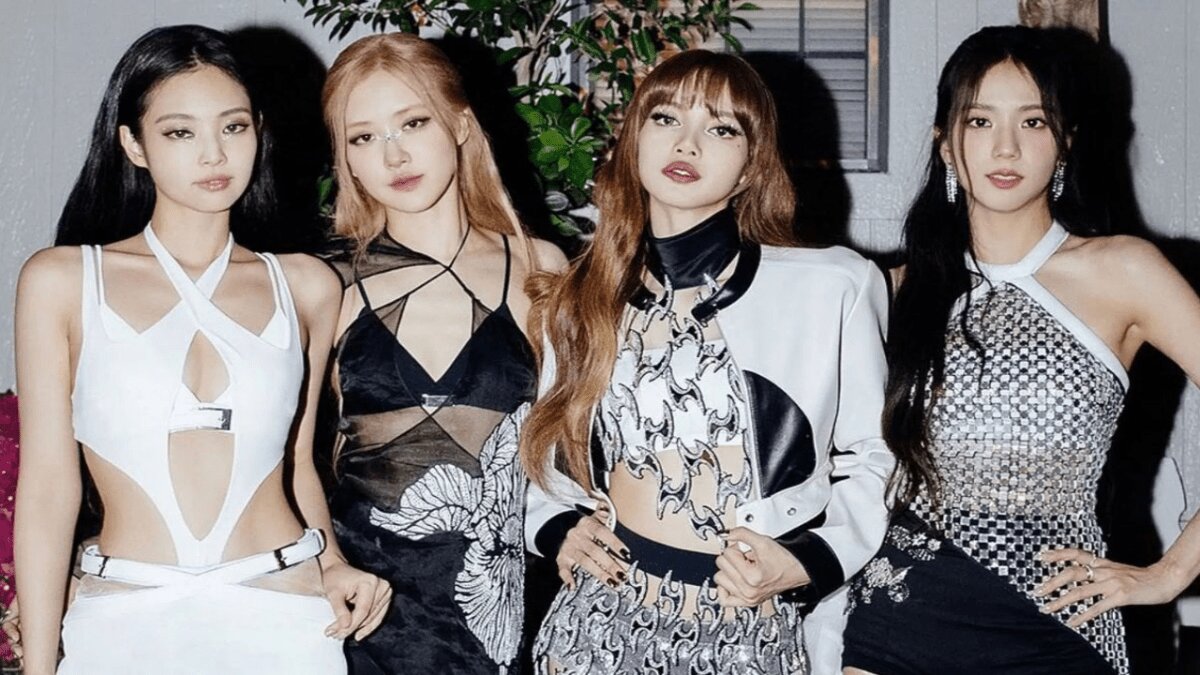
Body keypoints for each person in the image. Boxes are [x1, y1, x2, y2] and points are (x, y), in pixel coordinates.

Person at [13, 25, 389, 675]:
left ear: (258, 131)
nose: (213, 154)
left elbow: (296, 464)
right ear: (133, 143)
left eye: (233, 127)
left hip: (284, 616)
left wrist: (331, 561)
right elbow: (48, 488)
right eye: (180, 132)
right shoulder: (62, 281)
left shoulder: (307, 286)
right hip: (124, 619)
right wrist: (39, 667)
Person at [520, 49, 894, 674]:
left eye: (721, 129)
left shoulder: (834, 286)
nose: (687, 144)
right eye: (666, 118)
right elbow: (541, 446)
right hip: (597, 622)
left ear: (751, 167)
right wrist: (558, 527)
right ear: (634, 140)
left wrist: (807, 561)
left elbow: (876, 455)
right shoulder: (579, 297)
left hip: (745, 625)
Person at [842, 25, 1200, 675]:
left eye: (1033, 121)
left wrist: (1169, 572)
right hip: (900, 619)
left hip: (1060, 623)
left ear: (1065, 142)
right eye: (980, 121)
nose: (1005, 147)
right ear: (945, 144)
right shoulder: (893, 291)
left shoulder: (1125, 271)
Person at [318, 33, 566, 674]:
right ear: (346, 159)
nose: (393, 154)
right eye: (363, 137)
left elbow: (568, 447)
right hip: (358, 613)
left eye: (413, 122)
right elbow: (282, 460)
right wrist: (326, 562)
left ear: (459, 123)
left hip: (497, 612)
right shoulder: (325, 283)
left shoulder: (538, 266)